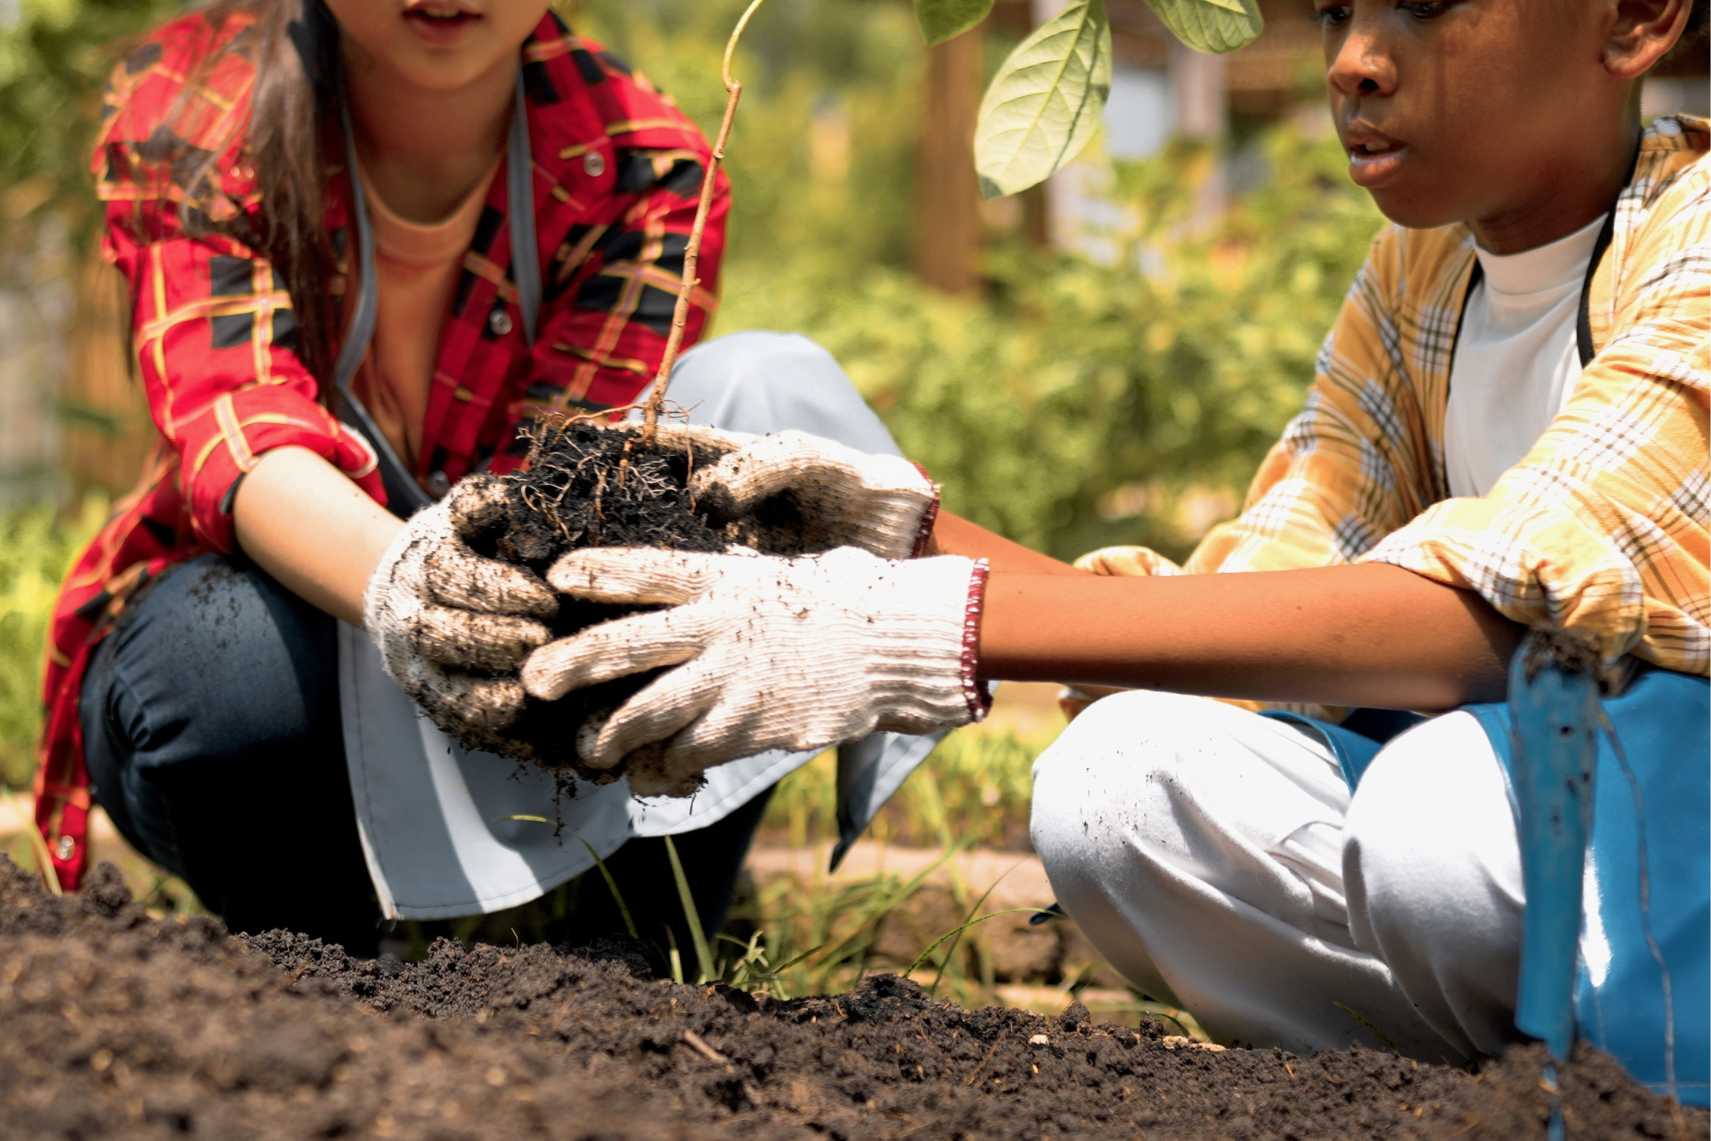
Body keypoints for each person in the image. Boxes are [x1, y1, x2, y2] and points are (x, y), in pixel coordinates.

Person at [410, 0, 1710, 1102]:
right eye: (1336, 10)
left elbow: (1485, 613)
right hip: (1548, 842)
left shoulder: (1694, 250)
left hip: (1652, 817)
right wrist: (891, 537)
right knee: (1117, 783)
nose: (1354, 60)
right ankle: (1458, 1091)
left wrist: (908, 631)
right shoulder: (1419, 281)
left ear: (1641, 16)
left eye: (1425, 2)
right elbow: (1253, 613)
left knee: (1432, 813)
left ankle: (1628, 1079)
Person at [32, 0, 943, 961]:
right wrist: (401, 583)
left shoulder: (642, 166)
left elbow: (575, 500)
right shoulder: (198, 101)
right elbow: (242, 432)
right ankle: (316, 961)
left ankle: (637, 952)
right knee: (226, 674)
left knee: (756, 408)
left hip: (528, 671)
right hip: (295, 649)